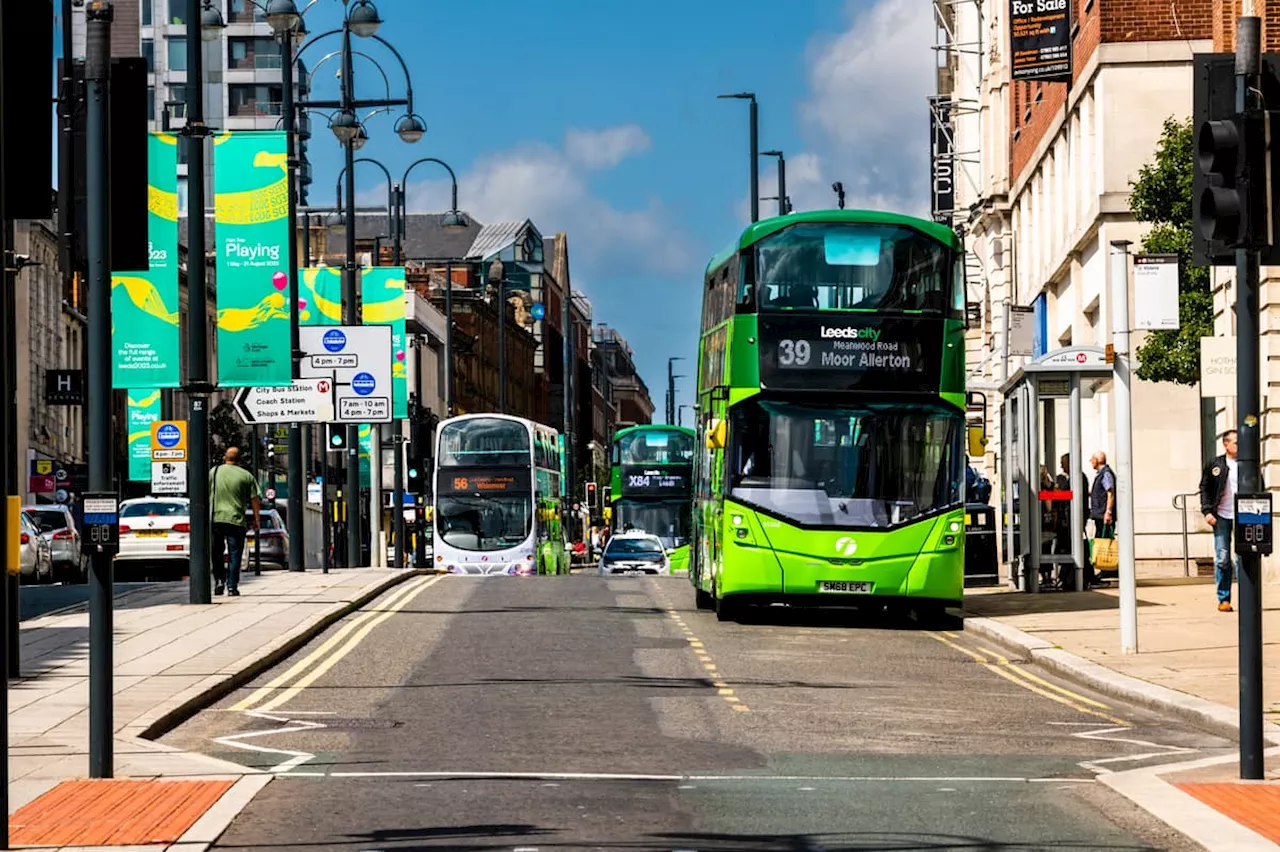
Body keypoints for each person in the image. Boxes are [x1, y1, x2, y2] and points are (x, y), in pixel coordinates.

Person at [209, 446, 261, 597]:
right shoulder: (246, 475)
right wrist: (256, 520)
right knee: (235, 555)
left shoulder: (214, 471)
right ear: (240, 460)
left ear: (225, 457)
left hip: (216, 518)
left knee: (216, 552)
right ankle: (232, 587)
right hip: (236, 520)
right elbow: (255, 499)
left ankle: (219, 581)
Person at [1199, 429, 1240, 612]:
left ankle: (1246, 597)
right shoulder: (1215, 464)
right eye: (1236, 442)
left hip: (1243, 516)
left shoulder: (1248, 463)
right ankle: (1224, 599)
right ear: (1226, 444)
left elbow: (1259, 486)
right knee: (1223, 558)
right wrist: (1207, 511)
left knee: (1241, 559)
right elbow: (1205, 487)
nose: (1240, 446)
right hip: (1221, 515)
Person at [1054, 453, 1100, 589]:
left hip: (1073, 519)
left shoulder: (1077, 477)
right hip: (1073, 519)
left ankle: (1074, 578)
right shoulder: (1076, 477)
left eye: (1063, 463)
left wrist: (1050, 492)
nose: (1061, 466)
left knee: (1072, 547)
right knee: (1071, 547)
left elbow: (1069, 496)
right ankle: (1072, 577)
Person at [1088, 451, 1117, 575]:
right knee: (1102, 539)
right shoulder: (1102, 473)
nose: (1091, 462)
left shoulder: (1105, 474)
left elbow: (1110, 493)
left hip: (1103, 514)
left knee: (1104, 541)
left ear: (1097, 461)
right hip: (1100, 513)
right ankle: (1107, 568)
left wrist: (1108, 512)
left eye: (1092, 460)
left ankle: (1108, 568)